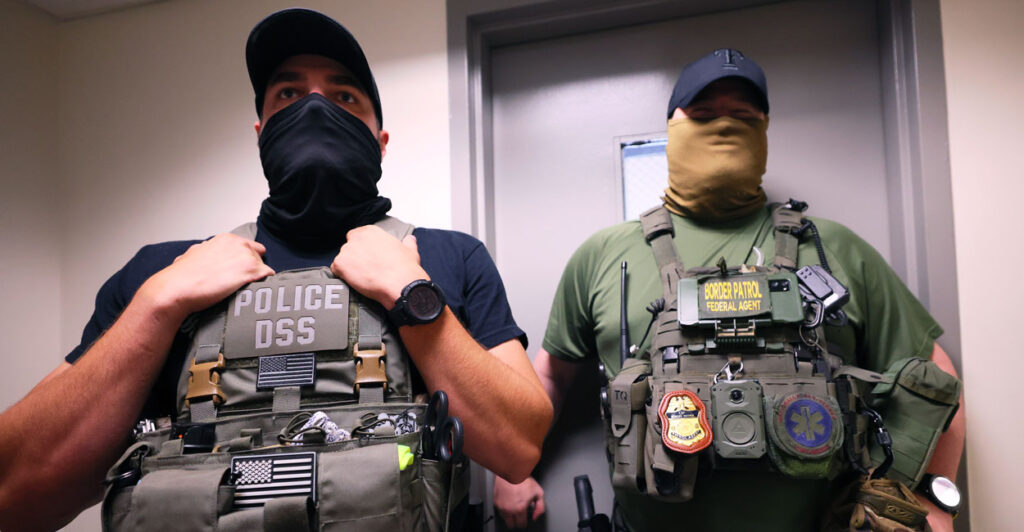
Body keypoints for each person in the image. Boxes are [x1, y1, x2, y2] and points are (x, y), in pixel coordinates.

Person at [0, 8, 551, 531]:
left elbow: (518, 446)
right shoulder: (163, 270)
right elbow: (17, 492)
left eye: (344, 97)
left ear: (379, 144)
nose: (315, 108)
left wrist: (411, 294)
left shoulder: (450, 258)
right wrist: (158, 303)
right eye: (289, 94)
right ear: (261, 131)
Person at [494, 49, 964, 531]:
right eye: (703, 115)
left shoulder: (832, 247)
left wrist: (928, 498)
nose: (723, 128)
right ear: (672, 129)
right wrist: (515, 466)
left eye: (742, 116)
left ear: (763, 131)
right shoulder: (604, 254)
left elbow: (934, 379)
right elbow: (551, 376)